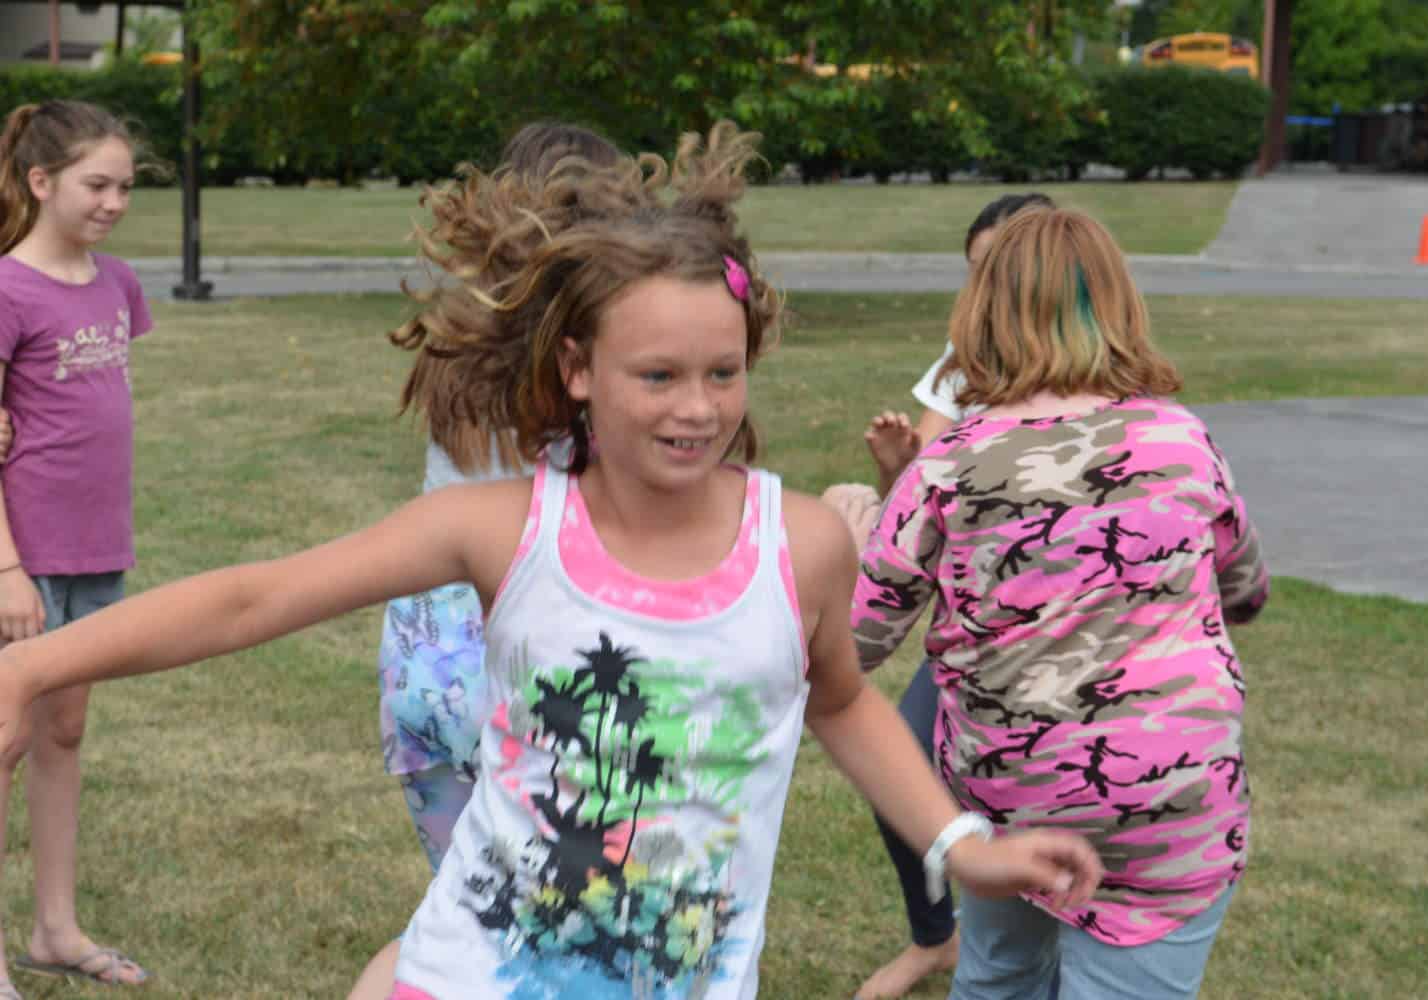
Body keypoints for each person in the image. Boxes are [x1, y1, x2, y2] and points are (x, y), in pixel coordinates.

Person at [0, 122, 1103, 999]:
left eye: (723, 373)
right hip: (475, 973)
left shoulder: (801, 540)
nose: (698, 407)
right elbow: (253, 599)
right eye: (657, 375)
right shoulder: (501, 528)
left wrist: (960, 844)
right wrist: (32, 666)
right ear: (578, 368)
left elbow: (844, 702)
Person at [851, 205, 1269, 1000]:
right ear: (1118, 305)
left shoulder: (946, 466)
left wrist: (847, 542)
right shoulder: (1182, 440)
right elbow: (1246, 588)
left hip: (1009, 798)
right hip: (1171, 804)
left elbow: (857, 641)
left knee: (998, 974)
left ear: (983, 312)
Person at [348, 121, 624, 1000]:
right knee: (558, 936)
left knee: (465, 920)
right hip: (531, 671)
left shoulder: (460, 337)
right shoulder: (593, 351)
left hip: (427, 669)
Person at [821, 192, 1056, 1000]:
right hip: (975, 633)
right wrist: (894, 470)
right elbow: (917, 507)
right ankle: (937, 938)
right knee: (904, 767)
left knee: (1050, 798)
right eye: (976, 270)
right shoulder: (963, 362)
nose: (986, 287)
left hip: (1067, 641)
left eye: (1003, 267)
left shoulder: (1097, 368)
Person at [0, 100, 154, 995]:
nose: (114, 203)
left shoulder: (117, 283)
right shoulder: (6, 289)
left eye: (126, 187)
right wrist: (7, 569)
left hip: (96, 552)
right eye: (97, 184)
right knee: (4, 741)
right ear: (40, 181)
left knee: (64, 731)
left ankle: (54, 929)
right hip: (22, 562)